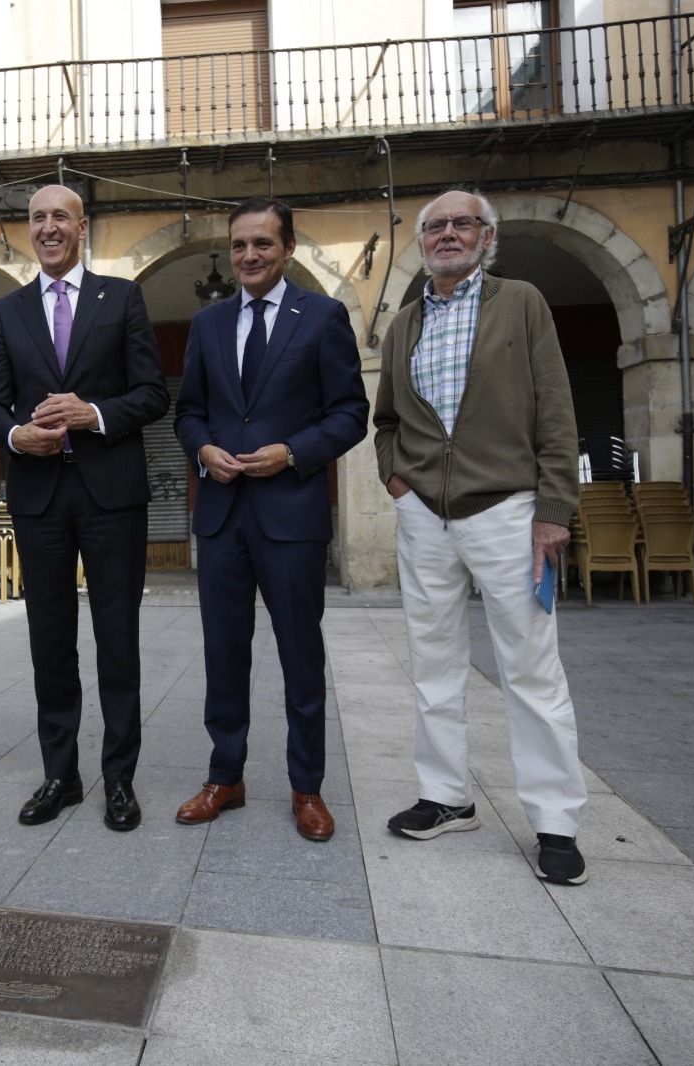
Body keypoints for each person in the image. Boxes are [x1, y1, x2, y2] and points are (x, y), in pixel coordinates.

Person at [374, 188, 590, 885]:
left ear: (487, 236)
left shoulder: (521, 302)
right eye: (434, 227)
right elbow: (386, 423)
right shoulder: (405, 322)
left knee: (530, 667)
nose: (446, 235)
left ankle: (555, 820)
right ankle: (445, 796)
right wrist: (396, 481)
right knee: (433, 662)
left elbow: (555, 408)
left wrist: (554, 508)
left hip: (508, 512)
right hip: (425, 518)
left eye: (461, 224)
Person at [172, 197, 368, 843]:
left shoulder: (322, 317)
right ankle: (225, 777)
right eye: (239, 246)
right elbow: (189, 411)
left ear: (287, 249)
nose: (249, 256)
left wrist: (295, 452)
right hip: (223, 516)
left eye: (262, 244)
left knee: (300, 658)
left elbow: (348, 413)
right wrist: (201, 448)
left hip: (292, 516)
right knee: (224, 656)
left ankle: (306, 787)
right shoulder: (207, 324)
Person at [0, 183, 169, 832]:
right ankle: (60, 775)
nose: (49, 227)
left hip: (112, 496)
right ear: (26, 230)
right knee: (49, 643)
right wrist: (13, 436)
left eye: (61, 215)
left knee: (118, 643)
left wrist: (96, 414)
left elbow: (151, 394)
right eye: (37, 218)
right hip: (39, 498)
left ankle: (120, 780)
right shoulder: (9, 310)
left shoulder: (125, 298)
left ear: (84, 226)